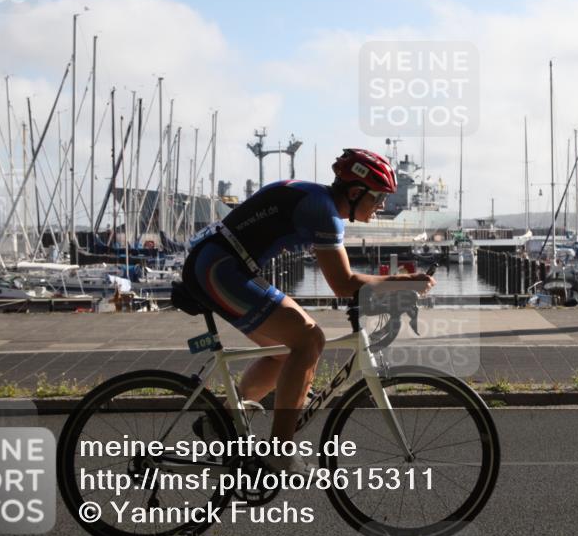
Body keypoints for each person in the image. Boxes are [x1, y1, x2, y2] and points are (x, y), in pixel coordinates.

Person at [181, 148, 436, 473]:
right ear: (356, 193)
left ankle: (219, 422)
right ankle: (280, 452)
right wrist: (404, 283)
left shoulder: (318, 199)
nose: (382, 205)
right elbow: (343, 284)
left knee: (287, 352)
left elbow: (345, 282)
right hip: (220, 269)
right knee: (310, 339)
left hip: (220, 265)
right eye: (379, 197)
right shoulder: (323, 212)